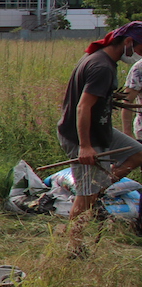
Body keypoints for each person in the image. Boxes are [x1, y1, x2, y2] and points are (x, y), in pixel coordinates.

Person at [56, 20, 142, 249]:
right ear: (128, 42)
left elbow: (94, 100)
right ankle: (74, 246)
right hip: (82, 135)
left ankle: (100, 186)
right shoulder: (101, 66)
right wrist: (85, 146)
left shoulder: (102, 60)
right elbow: (83, 107)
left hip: (100, 129)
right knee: (86, 197)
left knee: (138, 153)